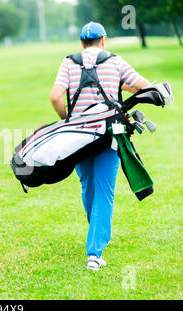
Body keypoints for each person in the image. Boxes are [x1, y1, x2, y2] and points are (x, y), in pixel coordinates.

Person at [50, 22, 151, 270]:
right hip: (108, 136)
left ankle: (96, 234)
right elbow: (144, 85)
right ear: (103, 40)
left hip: (77, 138)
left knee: (88, 187)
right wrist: (119, 86)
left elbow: (55, 96)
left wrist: (66, 119)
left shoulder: (68, 62)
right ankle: (95, 252)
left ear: (82, 43)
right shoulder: (115, 61)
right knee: (105, 192)